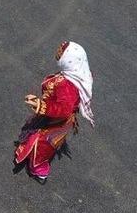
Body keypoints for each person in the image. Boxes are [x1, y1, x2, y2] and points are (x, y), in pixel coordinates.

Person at [14, 41, 94, 184]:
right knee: (36, 136)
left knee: (43, 144)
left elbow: (64, 110)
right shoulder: (73, 75)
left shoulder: (67, 86)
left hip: (56, 121)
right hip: (52, 116)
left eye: (62, 53)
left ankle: (39, 168)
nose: (58, 53)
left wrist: (41, 105)